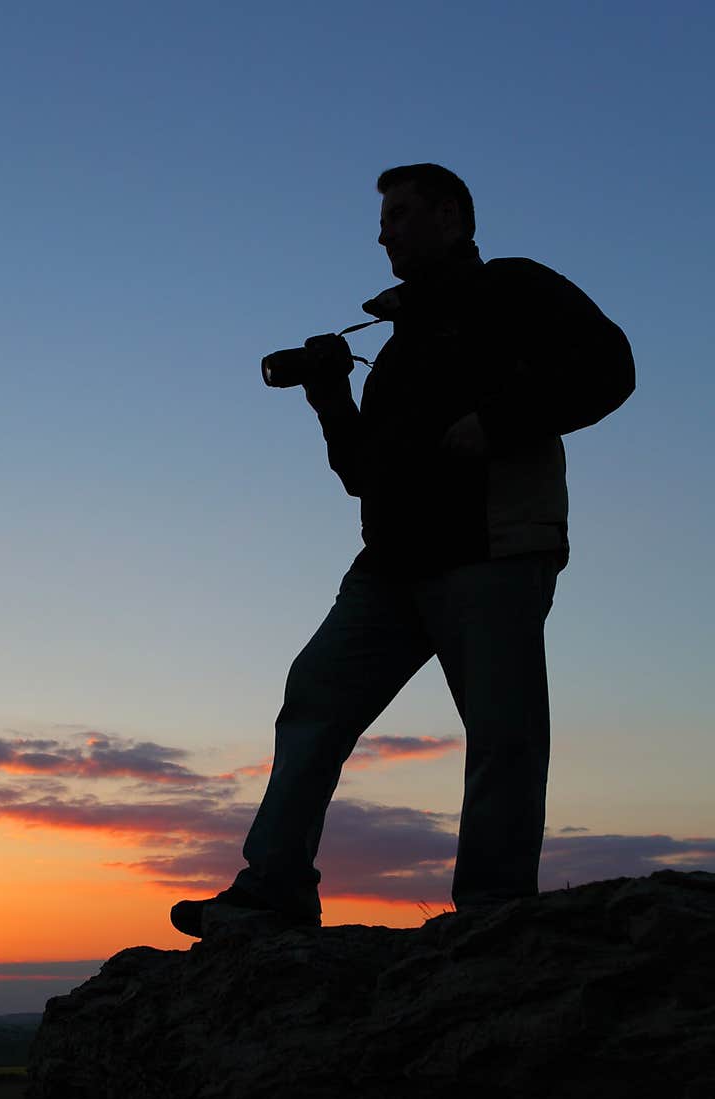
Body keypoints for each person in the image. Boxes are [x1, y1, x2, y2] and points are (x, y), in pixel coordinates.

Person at [171, 162, 635, 939]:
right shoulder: (394, 346)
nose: (382, 231)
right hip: (391, 565)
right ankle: (274, 891)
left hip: (493, 547)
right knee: (315, 698)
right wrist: (329, 397)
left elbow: (609, 369)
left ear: (452, 217)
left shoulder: (514, 289)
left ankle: (491, 909)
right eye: (382, 218)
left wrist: (498, 422)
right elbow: (363, 475)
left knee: (502, 728)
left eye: (399, 213)